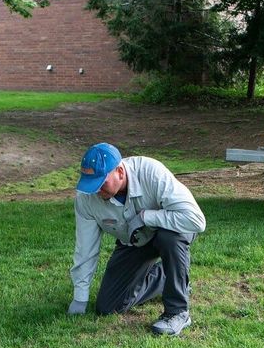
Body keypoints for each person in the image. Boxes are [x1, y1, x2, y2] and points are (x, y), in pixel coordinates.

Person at [67, 142, 206, 335]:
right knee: (108, 306)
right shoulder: (86, 198)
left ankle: (177, 313)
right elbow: (86, 249)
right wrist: (80, 298)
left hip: (169, 232)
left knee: (169, 238)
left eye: (101, 183)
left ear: (120, 172)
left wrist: (146, 217)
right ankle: (168, 278)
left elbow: (196, 220)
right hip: (134, 242)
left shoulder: (151, 172)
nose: (96, 191)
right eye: (91, 185)